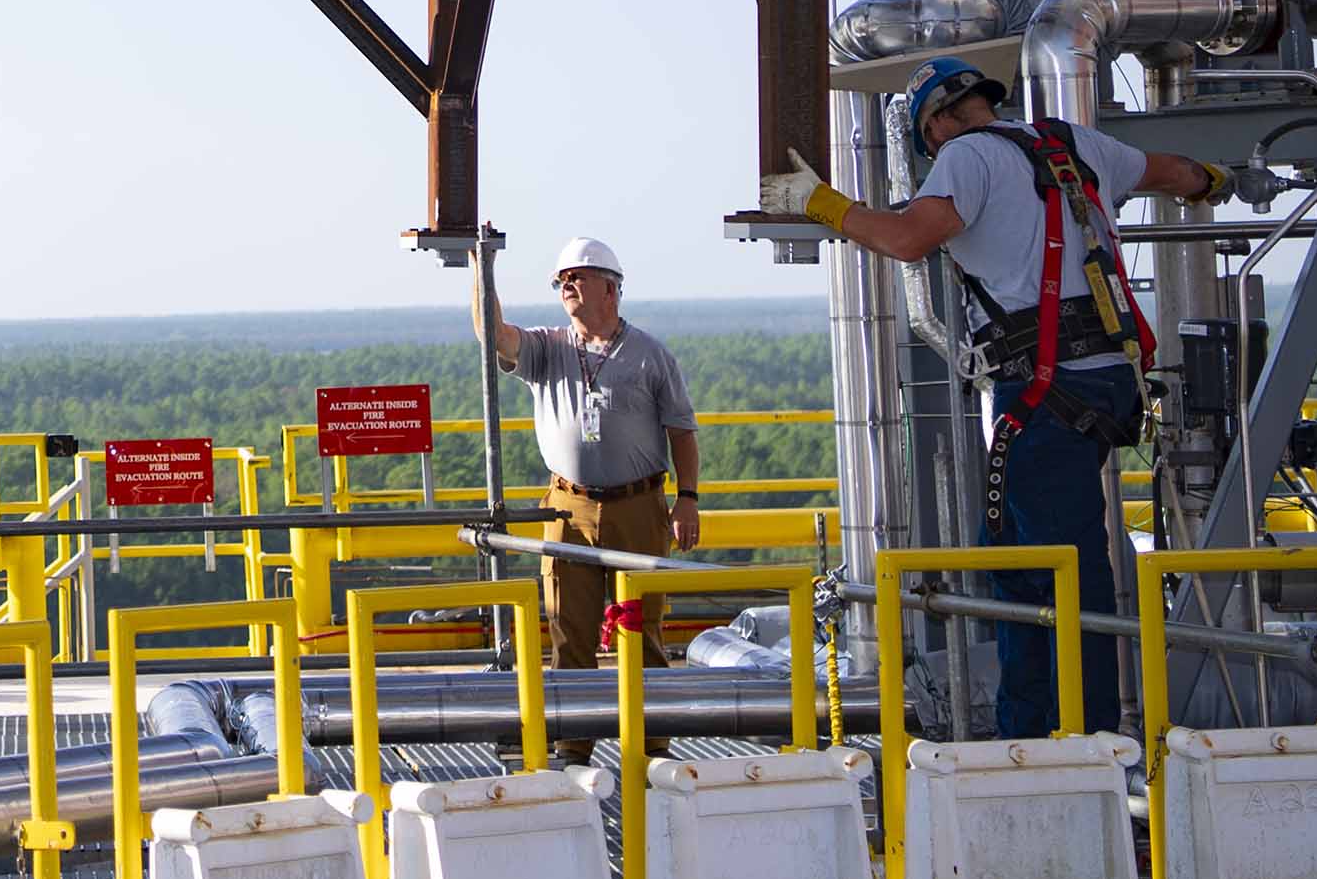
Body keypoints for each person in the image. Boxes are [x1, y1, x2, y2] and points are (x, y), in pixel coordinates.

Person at [767, 54, 1254, 737]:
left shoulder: (966, 156)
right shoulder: (1077, 144)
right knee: (1012, 561)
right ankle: (1027, 736)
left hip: (1045, 391)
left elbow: (909, 240)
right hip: (1103, 382)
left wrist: (823, 204)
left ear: (934, 124)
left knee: (1061, 574)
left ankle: (1086, 745)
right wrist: (1215, 179)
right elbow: (1172, 172)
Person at [495, 236, 701, 669]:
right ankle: (574, 739)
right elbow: (494, 337)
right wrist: (482, 269)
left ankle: (649, 739)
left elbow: (681, 431)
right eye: (561, 280)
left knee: (640, 634)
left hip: (638, 508)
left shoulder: (650, 355)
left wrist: (687, 499)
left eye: (577, 277)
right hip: (568, 508)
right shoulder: (547, 348)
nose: (566, 285)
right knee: (568, 636)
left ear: (610, 289)